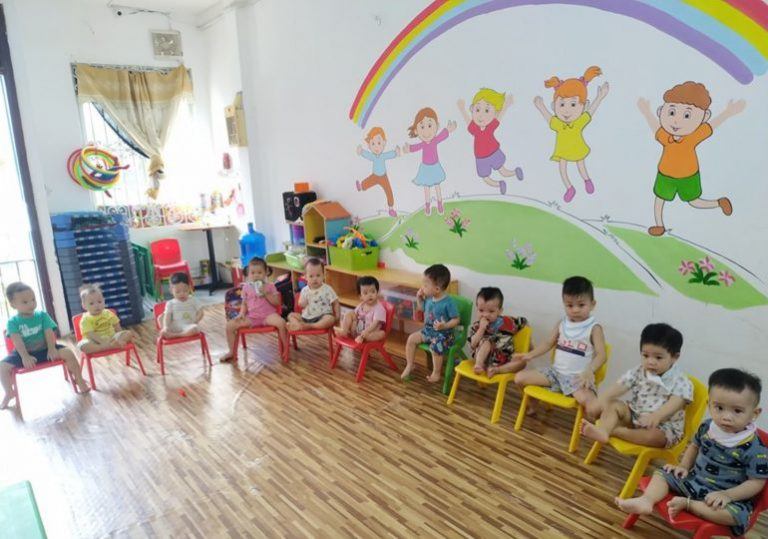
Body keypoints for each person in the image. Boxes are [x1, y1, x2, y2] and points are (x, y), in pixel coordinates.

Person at [616, 368, 766, 537]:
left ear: (754, 413)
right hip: (693, 481)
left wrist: (727, 495)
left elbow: (756, 482)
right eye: (719, 408)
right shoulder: (707, 426)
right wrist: (683, 466)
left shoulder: (756, 449)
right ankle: (646, 500)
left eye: (737, 411)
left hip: (724, 497)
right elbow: (694, 446)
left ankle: (689, 505)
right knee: (663, 472)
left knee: (736, 516)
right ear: (709, 404)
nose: (726, 417)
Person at [637, 81, 744, 236]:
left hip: (688, 176)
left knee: (694, 201)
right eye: (671, 112)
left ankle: (718, 203)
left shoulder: (693, 137)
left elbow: (712, 126)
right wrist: (647, 112)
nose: (676, 121)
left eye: (687, 115)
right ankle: (659, 225)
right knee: (659, 199)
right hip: (665, 175)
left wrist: (728, 112)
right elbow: (655, 128)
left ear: (704, 117)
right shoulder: (665, 136)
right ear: (661, 111)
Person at [581, 323, 693, 448]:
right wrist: (601, 399)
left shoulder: (680, 380)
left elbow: (676, 402)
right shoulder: (639, 371)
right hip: (635, 415)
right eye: (645, 356)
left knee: (655, 437)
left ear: (674, 357)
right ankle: (603, 431)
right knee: (614, 405)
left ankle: (614, 431)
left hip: (663, 425)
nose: (650, 362)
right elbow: (621, 385)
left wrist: (657, 416)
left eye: (658, 357)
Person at [513, 276, 607, 418]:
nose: (575, 310)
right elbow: (548, 343)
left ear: (592, 304)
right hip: (555, 374)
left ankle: (601, 425)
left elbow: (602, 355)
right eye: (570, 305)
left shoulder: (594, 328)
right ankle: (533, 404)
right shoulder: (562, 323)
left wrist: (590, 370)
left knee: (590, 402)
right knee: (519, 378)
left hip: (577, 378)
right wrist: (530, 355)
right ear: (564, 304)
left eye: (581, 305)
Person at [1, 282, 89, 408]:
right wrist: (25, 356)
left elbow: (49, 333)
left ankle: (79, 380)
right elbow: (17, 341)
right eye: (25, 302)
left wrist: (52, 348)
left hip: (46, 349)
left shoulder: (42, 315)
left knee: (68, 353)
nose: (31, 304)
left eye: (33, 299)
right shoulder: (12, 322)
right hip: (24, 353)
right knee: (2, 367)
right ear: (13, 305)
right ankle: (9, 392)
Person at [533, 66, 609, 202]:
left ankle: (587, 180)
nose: (566, 110)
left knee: (580, 164)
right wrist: (541, 107)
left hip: (577, 147)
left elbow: (591, 112)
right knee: (562, 168)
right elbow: (548, 117)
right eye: (562, 104)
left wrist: (600, 97)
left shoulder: (579, 122)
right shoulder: (558, 124)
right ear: (554, 106)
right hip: (563, 151)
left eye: (573, 104)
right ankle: (569, 188)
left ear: (584, 106)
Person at [457, 88, 523, 194]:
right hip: (481, 157)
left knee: (503, 171)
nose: (481, 115)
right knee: (486, 178)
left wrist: (506, 105)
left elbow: (499, 117)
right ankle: (500, 184)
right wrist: (462, 109)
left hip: (494, 153)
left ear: (495, 113)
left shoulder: (490, 127)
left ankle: (515, 172)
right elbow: (468, 121)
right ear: (472, 110)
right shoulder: (475, 129)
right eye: (477, 110)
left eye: (487, 111)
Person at [221, 257, 287, 362]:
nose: (256, 275)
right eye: (252, 273)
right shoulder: (246, 287)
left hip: (268, 315)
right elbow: (244, 303)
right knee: (230, 326)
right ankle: (231, 352)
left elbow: (277, 302)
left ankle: (286, 348)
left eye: (259, 272)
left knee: (282, 323)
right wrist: (241, 314)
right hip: (252, 317)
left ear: (266, 273)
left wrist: (266, 293)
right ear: (248, 274)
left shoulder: (270, 286)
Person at [403, 264, 459, 383]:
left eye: (425, 285)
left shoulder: (448, 302)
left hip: (444, 335)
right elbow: (422, 308)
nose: (422, 287)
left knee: (435, 347)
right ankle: (410, 364)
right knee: (411, 339)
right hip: (428, 331)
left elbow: (456, 320)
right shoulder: (429, 298)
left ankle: (436, 373)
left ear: (437, 289)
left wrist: (444, 326)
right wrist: (419, 299)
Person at [403, 107, 456, 216]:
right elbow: (415, 147)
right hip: (425, 168)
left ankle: (440, 204)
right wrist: (409, 149)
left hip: (435, 166)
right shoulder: (423, 144)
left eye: (430, 125)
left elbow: (442, 136)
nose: (426, 131)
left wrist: (448, 130)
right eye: (422, 127)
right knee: (426, 187)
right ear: (416, 131)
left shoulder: (435, 140)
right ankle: (427, 206)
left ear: (437, 126)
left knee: (437, 186)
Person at [469, 287, 527, 377]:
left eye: (491, 311)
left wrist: (530, 343)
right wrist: (481, 329)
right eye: (481, 310)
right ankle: (479, 365)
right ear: (477, 309)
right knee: (486, 342)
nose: (485, 314)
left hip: (505, 359)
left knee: (522, 362)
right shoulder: (476, 326)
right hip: (484, 359)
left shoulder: (508, 322)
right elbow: (473, 344)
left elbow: (523, 322)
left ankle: (496, 370)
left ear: (500, 311)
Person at [77, 283, 134, 354]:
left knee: (128, 333)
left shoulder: (108, 313)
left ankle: (114, 344)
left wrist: (120, 335)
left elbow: (116, 325)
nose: (97, 305)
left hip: (112, 338)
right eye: (91, 303)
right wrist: (103, 343)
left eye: (99, 302)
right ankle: (106, 347)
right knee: (82, 346)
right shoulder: (85, 319)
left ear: (104, 301)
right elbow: (91, 334)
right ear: (84, 306)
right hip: (95, 341)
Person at [356, 127, 400, 217]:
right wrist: (361, 151)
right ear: (369, 146)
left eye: (379, 143)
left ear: (384, 143)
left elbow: (390, 154)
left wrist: (396, 152)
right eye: (373, 143)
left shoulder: (383, 156)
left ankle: (391, 209)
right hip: (375, 176)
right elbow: (367, 155)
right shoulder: (372, 156)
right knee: (368, 181)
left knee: (389, 191)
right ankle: (361, 186)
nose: (376, 147)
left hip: (383, 177)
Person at [287, 258, 339, 331]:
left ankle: (311, 326)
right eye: (311, 276)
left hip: (322, 316)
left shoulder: (327, 289)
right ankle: (298, 325)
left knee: (330, 319)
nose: (315, 279)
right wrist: (302, 303)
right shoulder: (304, 290)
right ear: (305, 277)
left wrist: (337, 316)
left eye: (318, 275)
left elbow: (335, 302)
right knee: (291, 315)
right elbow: (301, 304)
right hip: (306, 317)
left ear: (323, 275)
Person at [336, 276, 386, 343]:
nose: (370, 295)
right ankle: (344, 331)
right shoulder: (361, 305)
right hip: (356, 331)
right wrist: (353, 323)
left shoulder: (379, 308)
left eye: (373, 291)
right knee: (350, 313)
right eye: (365, 293)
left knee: (382, 333)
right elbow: (354, 316)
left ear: (377, 292)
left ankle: (363, 338)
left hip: (369, 333)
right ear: (360, 296)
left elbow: (375, 324)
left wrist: (365, 333)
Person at [160, 272, 203, 338]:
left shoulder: (193, 300)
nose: (182, 294)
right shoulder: (170, 303)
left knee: (195, 329)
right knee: (161, 319)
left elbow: (201, 312)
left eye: (185, 291)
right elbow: (167, 316)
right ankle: (170, 333)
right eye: (177, 292)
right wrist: (166, 327)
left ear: (189, 288)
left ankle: (175, 335)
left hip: (188, 326)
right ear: (171, 290)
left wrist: (195, 321)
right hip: (174, 326)